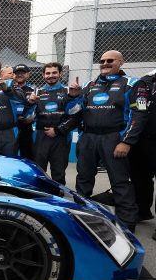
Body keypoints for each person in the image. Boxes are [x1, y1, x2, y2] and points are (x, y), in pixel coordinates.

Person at [65, 50, 149, 232]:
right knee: (83, 181)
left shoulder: (133, 84)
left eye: (110, 60)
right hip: (88, 138)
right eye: (102, 61)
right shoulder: (89, 85)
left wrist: (126, 142)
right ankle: (80, 223)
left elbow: (140, 115)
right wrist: (73, 96)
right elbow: (73, 113)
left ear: (121, 62)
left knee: (120, 184)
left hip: (114, 139)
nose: (104, 63)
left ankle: (127, 231)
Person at [31, 63, 75, 185]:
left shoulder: (68, 91)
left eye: (54, 73)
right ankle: (39, 196)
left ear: (60, 74)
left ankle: (58, 198)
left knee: (59, 172)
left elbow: (75, 116)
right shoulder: (37, 92)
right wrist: (29, 103)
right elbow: (29, 115)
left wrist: (58, 130)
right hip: (41, 136)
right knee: (39, 170)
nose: (51, 76)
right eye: (48, 73)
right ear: (43, 75)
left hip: (61, 137)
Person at [129, 71, 156, 228]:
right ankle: (142, 211)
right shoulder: (144, 81)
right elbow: (138, 107)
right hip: (141, 138)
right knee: (140, 178)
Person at [12, 64, 35, 159]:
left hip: (26, 127)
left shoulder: (33, 90)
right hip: (11, 126)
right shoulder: (8, 89)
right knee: (10, 156)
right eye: (17, 73)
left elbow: (36, 109)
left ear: (28, 74)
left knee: (27, 156)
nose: (19, 75)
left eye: (22, 73)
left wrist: (31, 117)